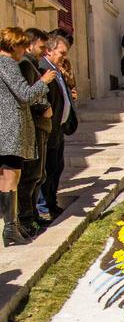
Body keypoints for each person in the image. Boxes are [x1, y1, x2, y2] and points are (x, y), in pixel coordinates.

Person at [0, 28, 55, 245]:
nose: (24, 50)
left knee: (6, 179)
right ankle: (11, 228)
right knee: (11, 179)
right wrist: (45, 81)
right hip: (11, 131)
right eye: (22, 45)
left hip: (6, 131)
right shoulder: (8, 65)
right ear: (13, 45)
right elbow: (25, 96)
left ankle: (10, 228)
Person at [16, 28, 53, 237]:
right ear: (30, 44)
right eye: (41, 46)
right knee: (31, 175)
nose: (44, 50)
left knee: (39, 175)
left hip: (41, 127)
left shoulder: (31, 64)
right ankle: (27, 220)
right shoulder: (25, 64)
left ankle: (33, 216)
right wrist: (43, 107)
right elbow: (28, 94)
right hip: (35, 126)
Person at [40, 33, 73, 219]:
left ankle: (52, 203)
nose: (64, 56)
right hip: (50, 128)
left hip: (58, 127)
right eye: (61, 52)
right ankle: (44, 207)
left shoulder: (56, 68)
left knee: (56, 166)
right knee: (48, 168)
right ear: (50, 50)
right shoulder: (45, 69)